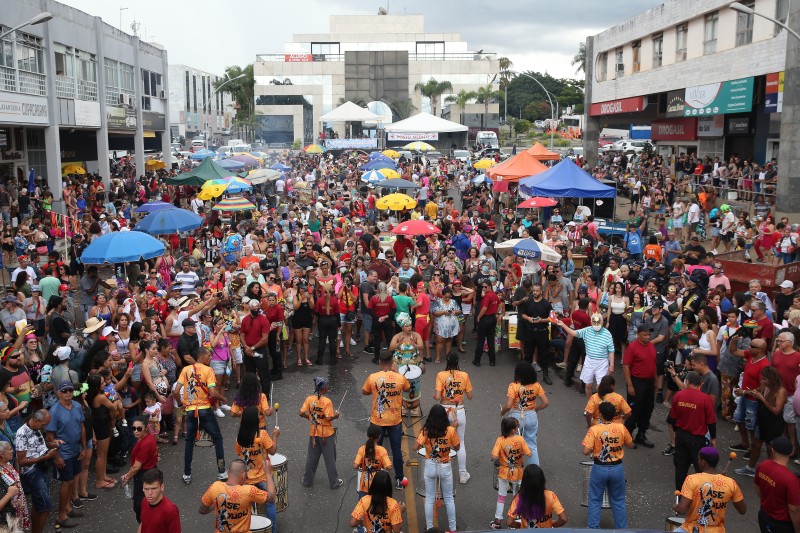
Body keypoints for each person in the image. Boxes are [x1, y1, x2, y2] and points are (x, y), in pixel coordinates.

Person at [173, 347, 227, 485]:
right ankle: (222, 471)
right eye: (209, 355)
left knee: (189, 442)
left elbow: (176, 391)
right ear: (201, 356)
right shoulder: (208, 370)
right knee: (218, 438)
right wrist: (223, 398)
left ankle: (187, 474)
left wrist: (181, 404)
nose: (211, 357)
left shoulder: (185, 370)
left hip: (191, 411)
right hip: (205, 410)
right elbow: (212, 393)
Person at [581, 401, 634, 529]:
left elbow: (586, 451)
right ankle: (622, 529)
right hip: (617, 468)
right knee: (618, 500)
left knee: (595, 499)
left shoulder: (594, 429)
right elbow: (630, 444)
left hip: (599, 468)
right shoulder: (621, 428)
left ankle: (593, 529)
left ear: (600, 414)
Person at [362, 352, 410, 490]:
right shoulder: (399, 378)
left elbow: (364, 392)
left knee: (374, 449)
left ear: (379, 362)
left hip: (377, 420)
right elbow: (407, 388)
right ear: (392, 361)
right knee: (396, 450)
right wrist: (397, 372)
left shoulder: (373, 377)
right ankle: (399, 478)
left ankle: (373, 476)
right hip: (395, 420)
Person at [672, 447, 747, 533]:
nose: (698, 462)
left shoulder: (692, 479)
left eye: (698, 459)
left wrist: (675, 506)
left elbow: (682, 509)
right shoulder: (730, 483)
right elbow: (743, 510)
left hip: (692, 529)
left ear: (703, 462)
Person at [45, 380, 86, 530]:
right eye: (64, 391)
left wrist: (83, 448)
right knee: (67, 482)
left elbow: (82, 428)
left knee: (72, 479)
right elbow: (50, 437)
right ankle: (61, 515)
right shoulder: (54, 411)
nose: (68, 393)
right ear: (58, 393)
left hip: (76, 450)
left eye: (70, 390)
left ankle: (68, 508)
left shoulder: (77, 406)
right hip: (64, 453)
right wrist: (57, 457)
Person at [734, 366, 787, 478]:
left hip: (774, 424)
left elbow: (776, 411)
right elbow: (753, 391)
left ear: (771, 378)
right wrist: (744, 392)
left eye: (764, 379)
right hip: (761, 421)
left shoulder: (780, 391)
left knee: (770, 449)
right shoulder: (764, 387)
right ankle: (750, 468)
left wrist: (762, 398)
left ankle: (772, 473)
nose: (762, 381)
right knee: (755, 445)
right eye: (761, 379)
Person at [414, 404, 460, 533]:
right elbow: (457, 447)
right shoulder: (450, 430)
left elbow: (415, 447)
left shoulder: (426, 430)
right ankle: (452, 528)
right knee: (449, 498)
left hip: (430, 465)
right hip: (445, 466)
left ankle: (429, 528)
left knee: (429, 498)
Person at [668, 371, 717, 490]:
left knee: (680, 468)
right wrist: (713, 438)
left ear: (687, 381)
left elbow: (672, 418)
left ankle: (679, 495)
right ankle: (702, 494)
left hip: (681, 436)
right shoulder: (705, 399)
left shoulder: (679, 395)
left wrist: (676, 431)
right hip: (698, 439)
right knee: (700, 468)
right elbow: (711, 421)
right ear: (700, 384)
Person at [235, 406, 279, 532]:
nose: (260, 416)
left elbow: (239, 454)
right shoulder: (262, 434)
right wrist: (275, 436)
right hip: (262, 477)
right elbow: (273, 451)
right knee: (270, 501)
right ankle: (272, 530)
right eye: (259, 415)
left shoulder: (239, 438)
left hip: (246, 478)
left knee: (246, 504)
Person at [199, 459, 273, 533]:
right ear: (243, 475)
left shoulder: (215, 487)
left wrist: (218, 504)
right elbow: (271, 498)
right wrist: (268, 474)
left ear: (228, 472)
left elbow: (202, 510)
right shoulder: (249, 491)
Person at [433, 351, 473, 484]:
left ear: (447, 361)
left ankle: (439, 471)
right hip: (459, 410)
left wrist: (437, 395)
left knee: (440, 439)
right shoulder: (464, 375)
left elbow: (437, 397)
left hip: (443, 411)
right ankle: (463, 474)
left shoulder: (441, 375)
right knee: (460, 442)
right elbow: (470, 396)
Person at [15, 409, 57, 533]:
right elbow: (21, 461)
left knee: (38, 504)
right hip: (32, 472)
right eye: (44, 424)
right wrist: (45, 457)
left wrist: (52, 444)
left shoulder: (37, 428)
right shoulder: (22, 433)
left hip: (42, 468)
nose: (45, 427)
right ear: (36, 420)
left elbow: (39, 446)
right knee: (46, 507)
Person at [500, 362, 549, 466]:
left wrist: (502, 412)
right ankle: (534, 471)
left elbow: (508, 405)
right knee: (532, 445)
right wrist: (536, 410)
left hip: (516, 417)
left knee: (513, 444)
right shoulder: (536, 385)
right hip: (531, 416)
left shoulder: (513, 386)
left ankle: (514, 470)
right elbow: (545, 402)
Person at [556, 313, 615, 397]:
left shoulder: (607, 334)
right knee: (588, 385)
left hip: (602, 363)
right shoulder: (587, 330)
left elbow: (611, 350)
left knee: (600, 386)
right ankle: (590, 403)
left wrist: (611, 364)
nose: (596, 325)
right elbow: (573, 333)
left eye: (598, 323)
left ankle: (599, 403)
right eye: (594, 323)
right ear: (591, 322)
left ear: (602, 322)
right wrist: (563, 324)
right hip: (589, 362)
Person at [299, 377, 342, 489]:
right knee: (330, 460)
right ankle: (334, 483)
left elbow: (301, 413)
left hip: (313, 433)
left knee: (311, 458)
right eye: (327, 386)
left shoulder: (309, 399)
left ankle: (307, 481)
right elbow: (328, 418)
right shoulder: (327, 401)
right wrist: (336, 416)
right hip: (326, 435)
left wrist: (310, 418)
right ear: (324, 388)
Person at [489, 417, 531, 529]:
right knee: (517, 496)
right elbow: (529, 453)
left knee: (501, 496)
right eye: (516, 427)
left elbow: (493, 456)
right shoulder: (520, 439)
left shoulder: (500, 440)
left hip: (504, 472)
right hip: (518, 472)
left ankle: (497, 521)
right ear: (513, 430)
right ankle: (515, 520)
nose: (517, 429)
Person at [754, 436, 800, 533]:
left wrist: (768, 502)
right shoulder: (791, 479)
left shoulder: (763, 465)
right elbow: (794, 509)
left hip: (764, 516)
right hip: (782, 525)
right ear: (791, 452)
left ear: (773, 450)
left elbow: (757, 486)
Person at [622, 323, 657, 448]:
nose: (648, 337)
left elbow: (653, 364)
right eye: (645, 335)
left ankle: (641, 434)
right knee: (634, 409)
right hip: (637, 382)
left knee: (648, 409)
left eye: (649, 334)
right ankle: (627, 435)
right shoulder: (632, 347)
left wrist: (655, 381)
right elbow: (626, 366)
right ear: (638, 335)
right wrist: (630, 385)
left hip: (649, 382)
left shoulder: (651, 346)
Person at [120, 415, 159, 523]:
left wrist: (127, 478)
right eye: (133, 428)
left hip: (144, 475)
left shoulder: (145, 443)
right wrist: (129, 473)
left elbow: (137, 467)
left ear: (146, 428)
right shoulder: (145, 438)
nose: (136, 431)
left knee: (140, 505)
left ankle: (145, 526)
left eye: (139, 428)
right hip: (149, 472)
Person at [506, 464, 568, 528]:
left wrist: (520, 526)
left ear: (525, 481)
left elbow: (509, 522)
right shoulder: (551, 496)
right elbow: (563, 519)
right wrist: (553, 525)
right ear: (542, 479)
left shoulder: (519, 497)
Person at [518, 283, 553, 382]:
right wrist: (529, 318)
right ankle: (525, 376)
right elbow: (523, 314)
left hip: (542, 332)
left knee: (544, 355)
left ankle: (546, 376)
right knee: (527, 355)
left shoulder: (546, 304)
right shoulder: (528, 302)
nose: (535, 292)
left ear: (541, 291)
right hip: (530, 332)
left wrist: (542, 320)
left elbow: (552, 318)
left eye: (537, 291)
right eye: (533, 290)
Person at [240, 299, 271, 400]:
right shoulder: (245, 320)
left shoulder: (263, 320)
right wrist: (246, 347)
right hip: (248, 350)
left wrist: (252, 348)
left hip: (259, 350)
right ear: (250, 308)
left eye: (258, 309)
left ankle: (265, 396)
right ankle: (252, 395)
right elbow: (242, 334)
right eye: (254, 309)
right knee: (250, 374)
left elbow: (265, 339)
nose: (256, 311)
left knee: (263, 373)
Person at [138, 468, 182, 533]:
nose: (149, 493)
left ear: (162, 487)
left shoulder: (170, 511)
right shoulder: (144, 501)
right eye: (146, 489)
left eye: (154, 488)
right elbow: (143, 523)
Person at [354, 425, 392, 499]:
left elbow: (355, 466)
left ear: (367, 435)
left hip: (364, 484)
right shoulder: (382, 450)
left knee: (363, 503)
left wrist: (362, 464)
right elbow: (389, 467)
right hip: (377, 483)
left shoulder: (362, 449)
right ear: (379, 436)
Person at [473, 279, 501, 367]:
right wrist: (495, 313)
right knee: (490, 340)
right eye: (482, 287)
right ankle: (492, 361)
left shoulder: (487, 296)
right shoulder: (494, 295)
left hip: (485, 319)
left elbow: (484, 308)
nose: (484, 288)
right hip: (492, 319)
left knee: (481, 341)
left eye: (485, 287)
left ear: (489, 286)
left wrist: (478, 317)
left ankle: (477, 360)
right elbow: (500, 304)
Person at [314, 283, 341, 365]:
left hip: (323, 320)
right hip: (333, 320)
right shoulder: (334, 300)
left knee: (322, 340)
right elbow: (337, 313)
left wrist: (320, 317)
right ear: (332, 290)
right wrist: (339, 324)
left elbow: (316, 311)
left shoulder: (320, 300)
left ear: (323, 290)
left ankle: (319, 359)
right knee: (332, 340)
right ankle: (333, 360)